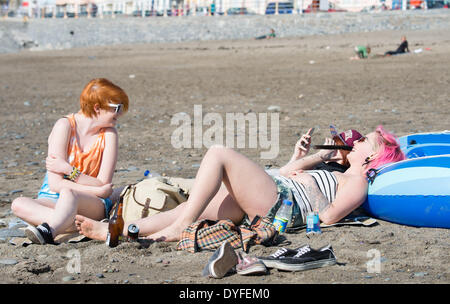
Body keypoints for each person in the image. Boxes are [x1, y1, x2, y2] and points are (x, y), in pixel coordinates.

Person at [75, 125, 405, 243]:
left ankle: (181, 228)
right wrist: (320, 157)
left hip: (282, 205)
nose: (357, 139)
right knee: (195, 206)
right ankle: (116, 231)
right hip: (277, 192)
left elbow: (330, 216)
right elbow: (293, 169)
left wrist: (309, 203)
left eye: (365, 141)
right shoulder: (337, 172)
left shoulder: (357, 182)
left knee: (219, 153)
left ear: (371, 158)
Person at [11, 78, 129, 245]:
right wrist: (96, 189)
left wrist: (69, 170)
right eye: (117, 108)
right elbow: (55, 185)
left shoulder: (109, 135)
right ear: (97, 107)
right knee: (18, 204)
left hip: (90, 202)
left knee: (69, 194)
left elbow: (103, 183)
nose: (120, 114)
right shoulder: (64, 126)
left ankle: (49, 231)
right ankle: (73, 224)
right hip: (53, 198)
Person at [278, 125, 363, 175]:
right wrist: (298, 156)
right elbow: (283, 175)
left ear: (348, 153)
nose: (331, 145)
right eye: (334, 141)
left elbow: (284, 172)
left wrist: (320, 156)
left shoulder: (336, 172)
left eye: (338, 145)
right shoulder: (324, 163)